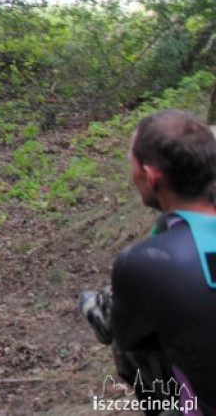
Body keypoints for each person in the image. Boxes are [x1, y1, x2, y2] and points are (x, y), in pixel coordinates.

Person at [80, 110, 216, 415]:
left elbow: (124, 334)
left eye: (133, 166)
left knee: (127, 335)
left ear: (152, 176)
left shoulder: (144, 262)